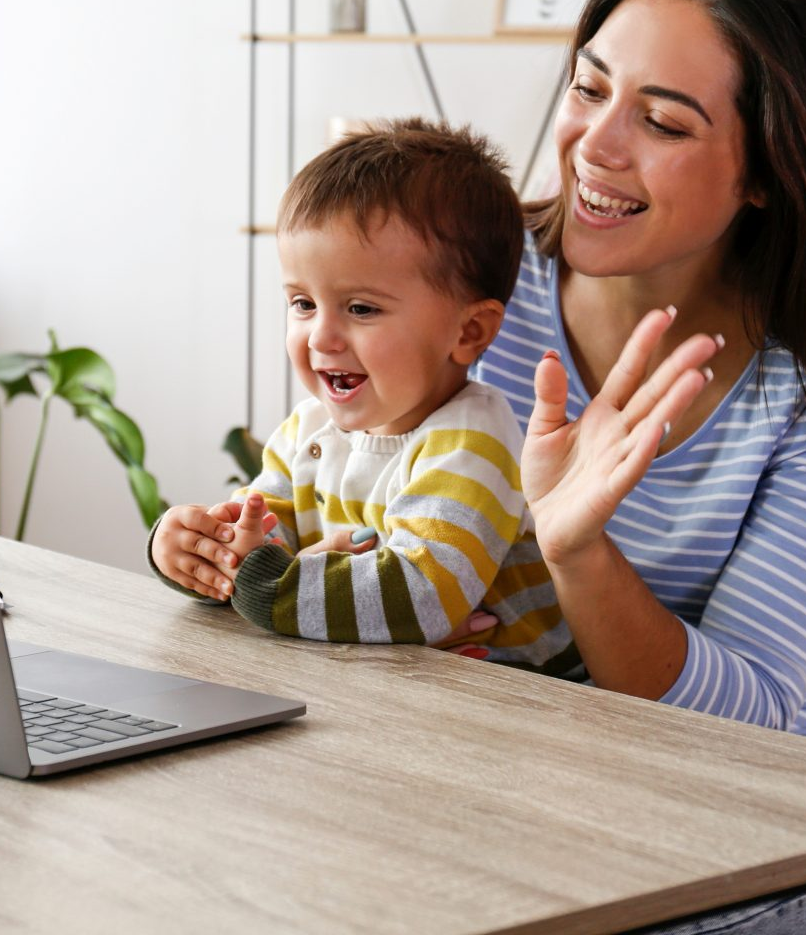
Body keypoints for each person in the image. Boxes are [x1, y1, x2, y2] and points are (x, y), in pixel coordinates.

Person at [466, 0, 806, 933]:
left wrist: (579, 552)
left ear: (767, 172)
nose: (597, 145)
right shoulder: (468, 277)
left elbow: (750, 723)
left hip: (730, 848)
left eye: (664, 123)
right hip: (503, 798)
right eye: (589, 89)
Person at [147, 121, 570, 668]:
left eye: (361, 308)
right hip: (391, 690)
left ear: (468, 333)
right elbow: (259, 552)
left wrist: (270, 584)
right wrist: (196, 552)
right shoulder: (307, 432)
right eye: (302, 303)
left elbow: (419, 598)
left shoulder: (473, 438)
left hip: (526, 706)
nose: (320, 336)